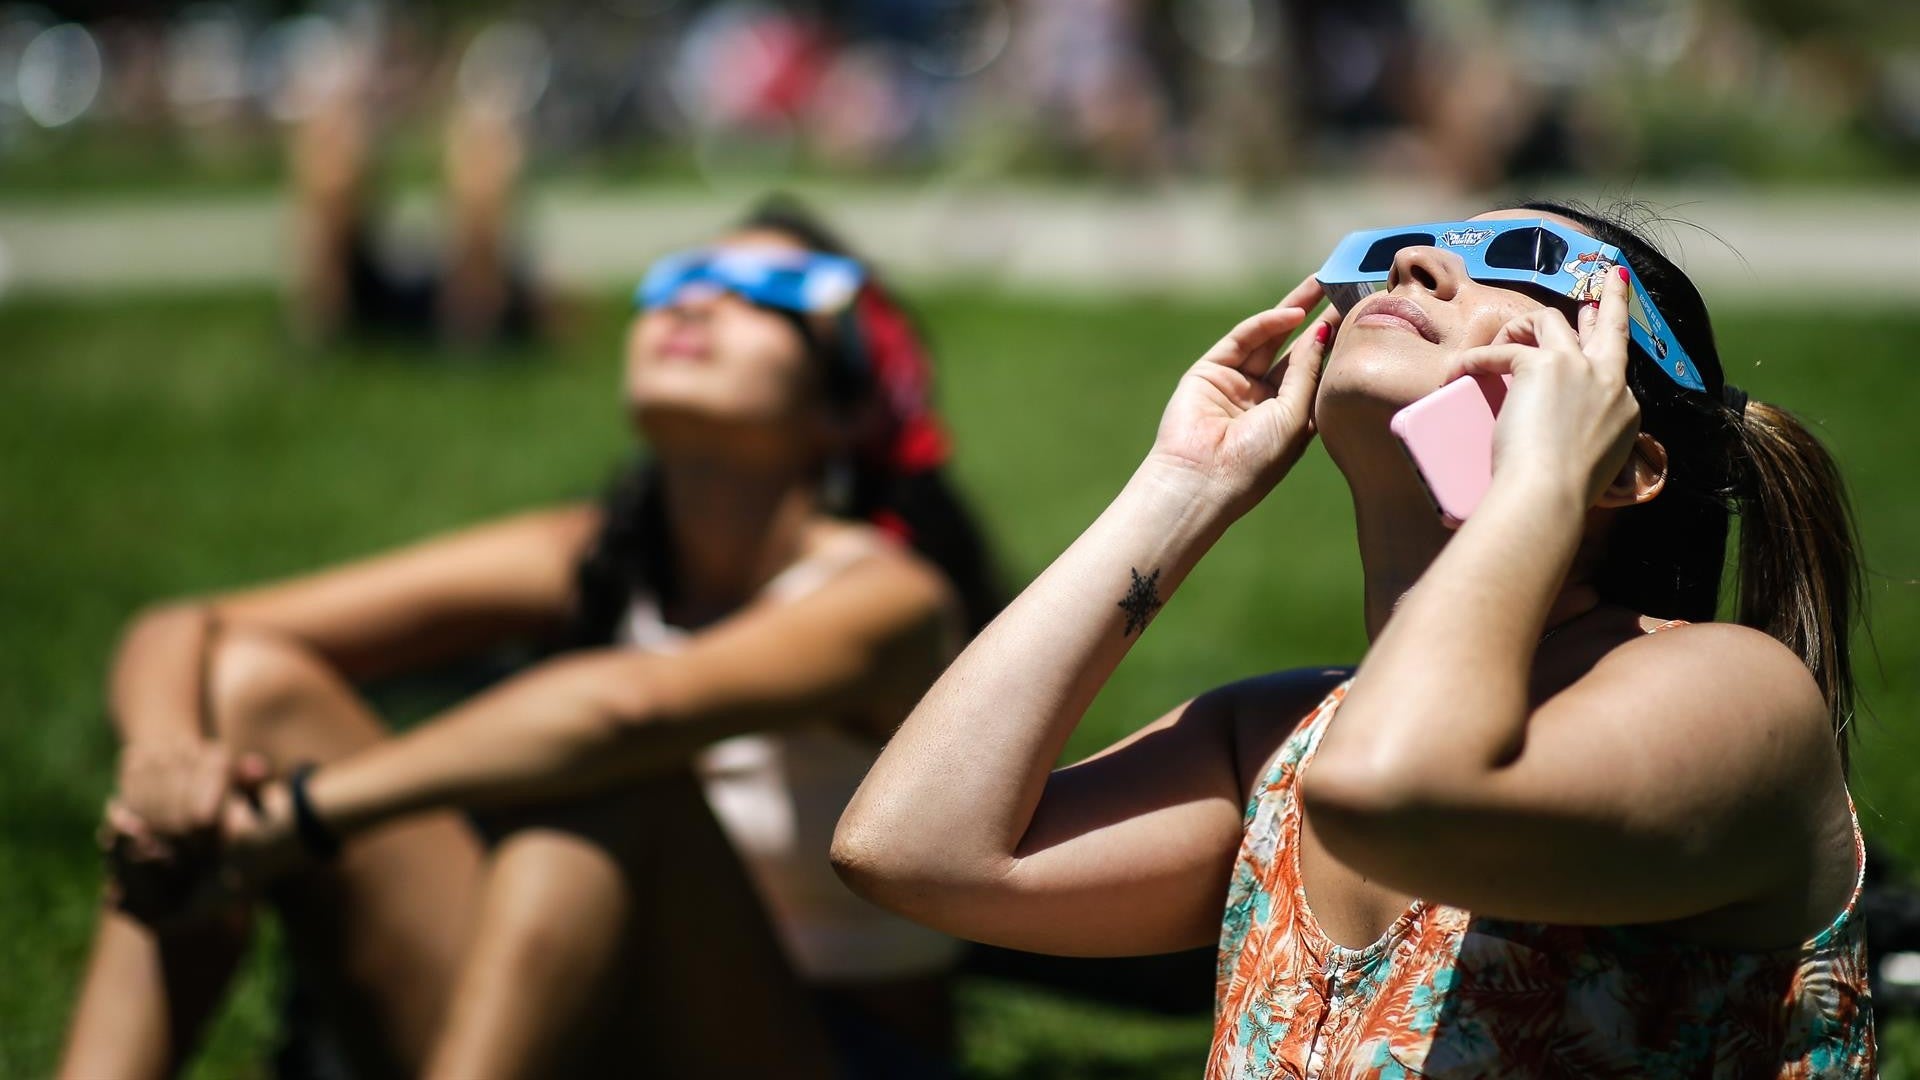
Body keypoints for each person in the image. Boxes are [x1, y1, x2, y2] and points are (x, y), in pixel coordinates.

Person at [834, 201, 1874, 1076]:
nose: (1415, 262)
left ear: (1627, 463)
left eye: (1527, 266)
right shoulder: (1279, 739)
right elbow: (916, 851)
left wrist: (1540, 478)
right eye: (1401, 250)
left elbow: (1394, 794)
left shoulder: (1733, 692)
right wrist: (1184, 488)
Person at [60, 198, 997, 1078]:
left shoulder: (889, 599)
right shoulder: (596, 552)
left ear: (843, 408)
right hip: (583, 1017)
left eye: (768, 294)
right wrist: (168, 773)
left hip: (814, 1049)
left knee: (619, 788)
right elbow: (188, 627)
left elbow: (626, 711)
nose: (700, 303)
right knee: (253, 691)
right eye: (677, 279)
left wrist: (301, 818)